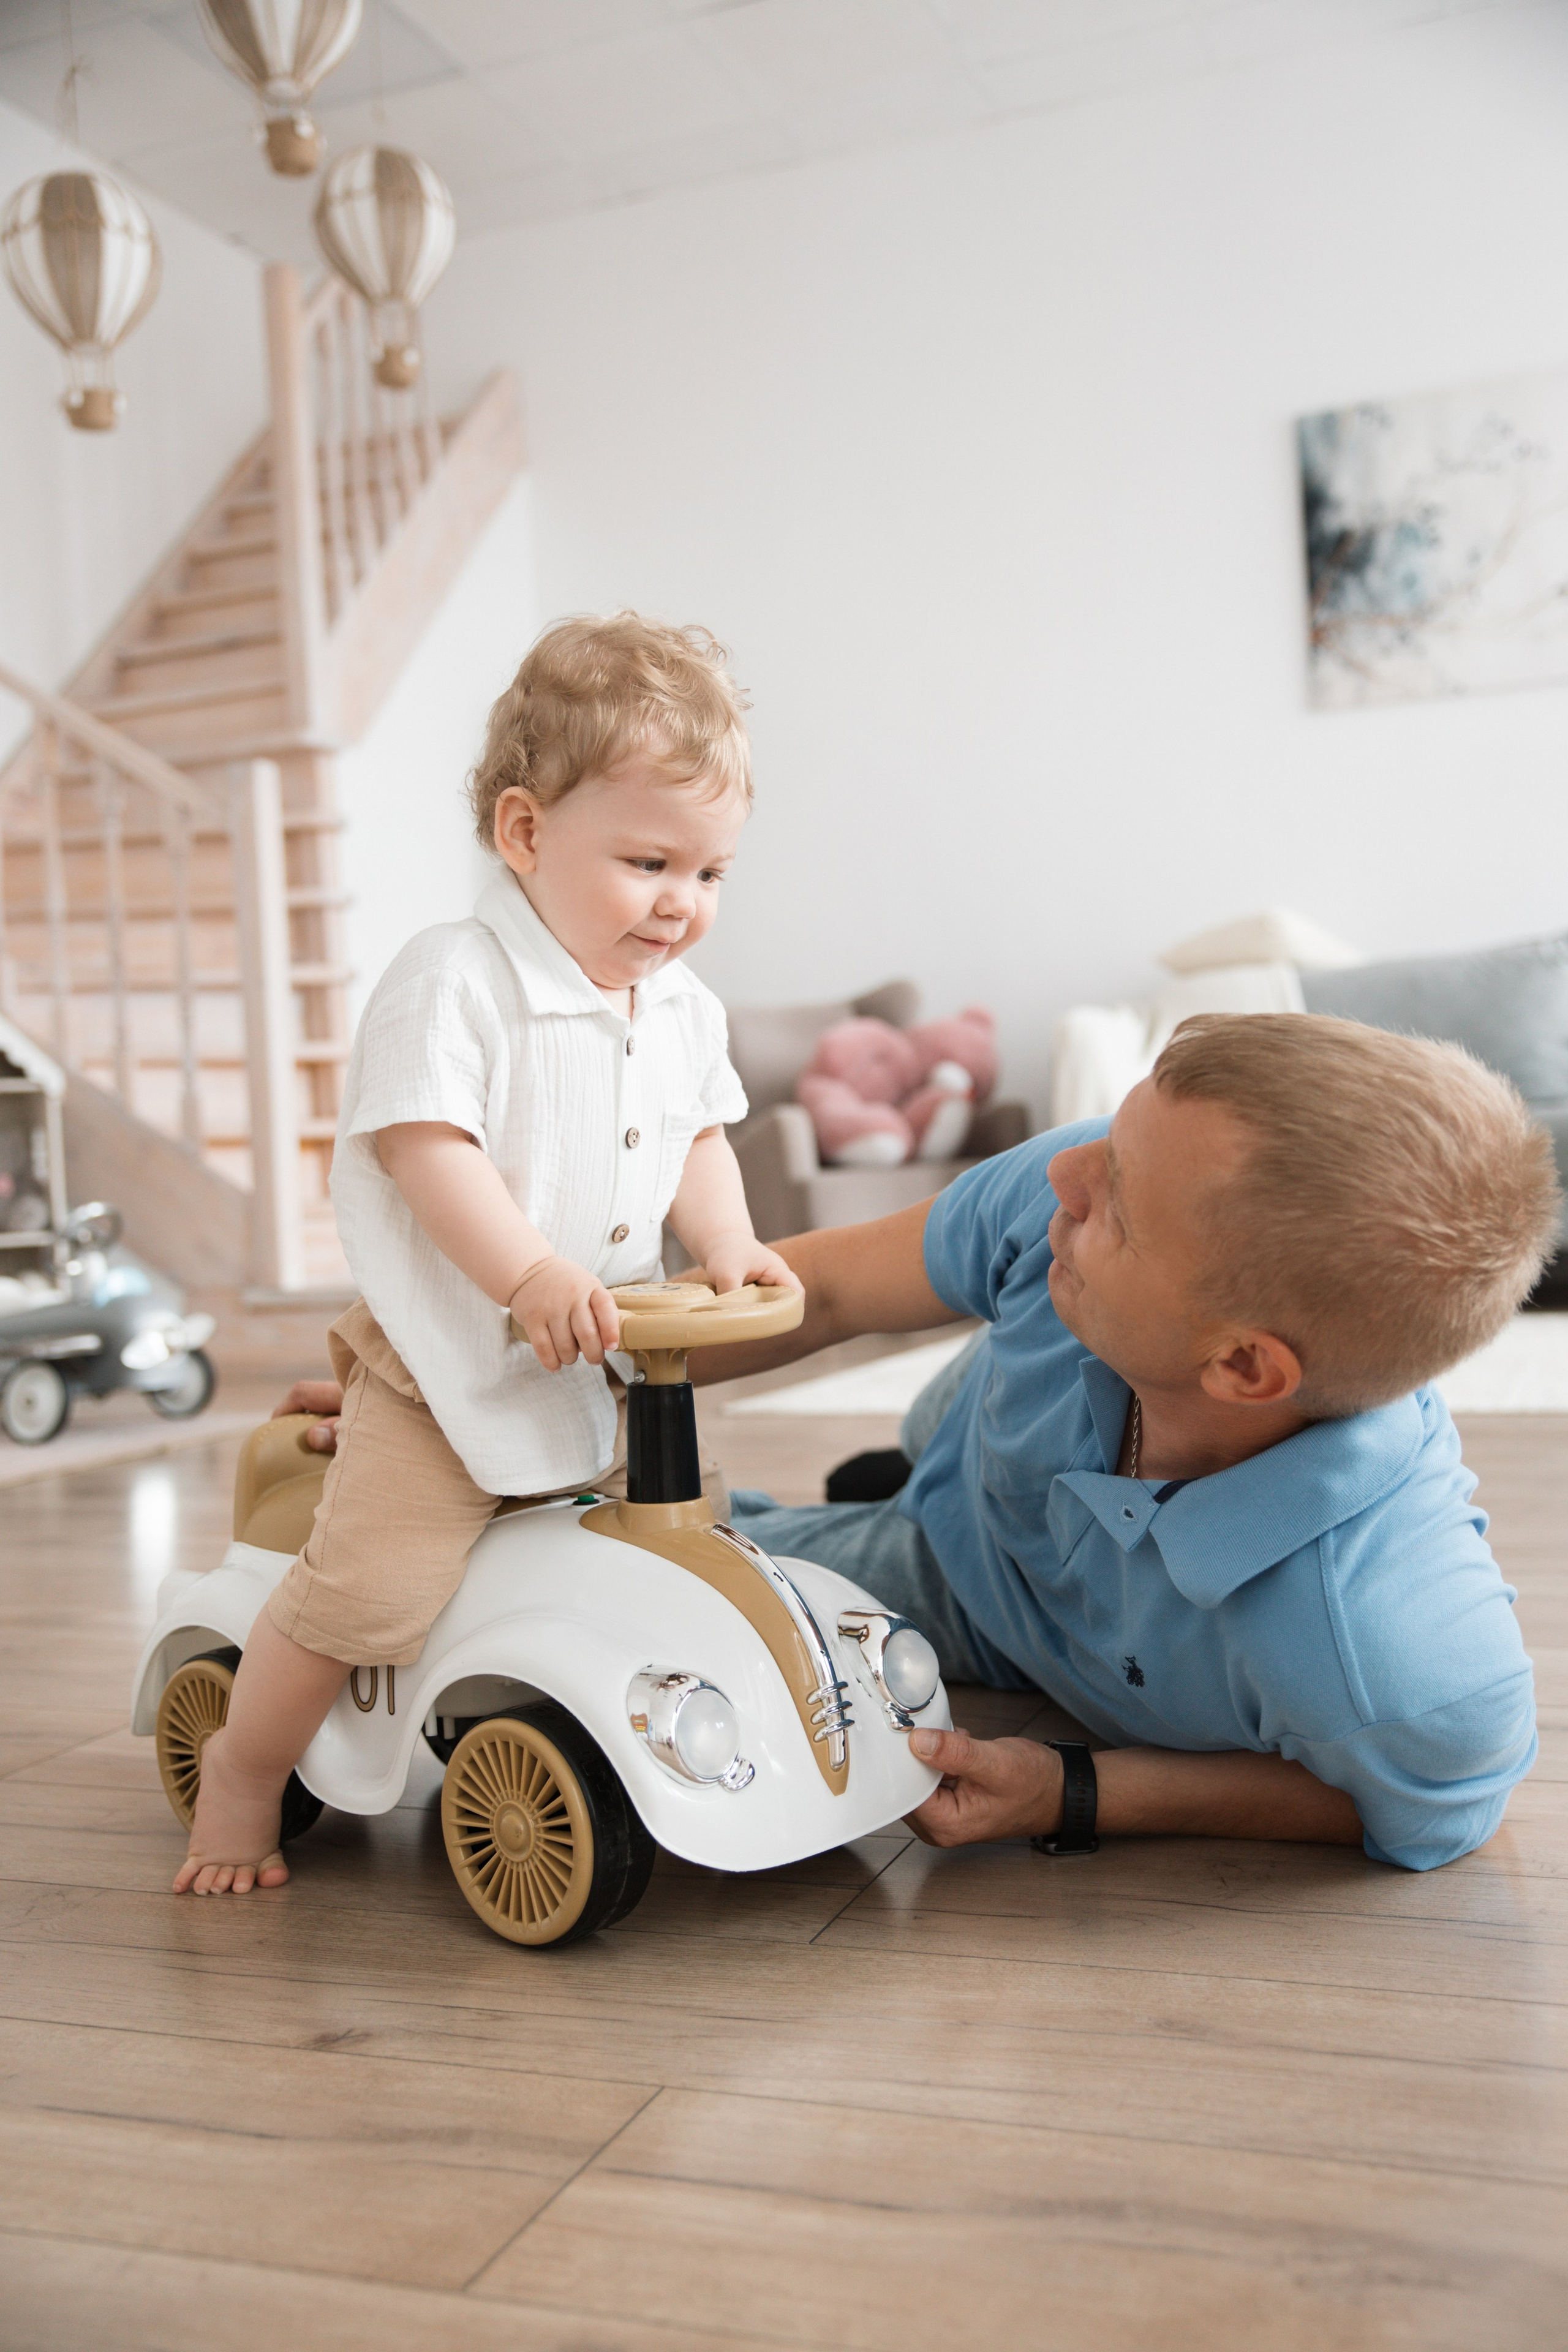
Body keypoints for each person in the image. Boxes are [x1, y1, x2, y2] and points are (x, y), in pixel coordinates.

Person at [277, 1013, 1559, 1874]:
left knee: (711, 1582)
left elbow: (1416, 1807)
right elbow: (811, 1296)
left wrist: (1077, 1791)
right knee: (635, 1561)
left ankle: (863, 1497)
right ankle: (890, 1476)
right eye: (1101, 1145)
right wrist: (465, 1401)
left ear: (1240, 1367)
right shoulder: (1077, 1189)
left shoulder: (1403, 1658)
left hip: (966, 1577)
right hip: (977, 1500)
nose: (1061, 1181)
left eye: (1112, 1205)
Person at [176, 614, 799, 1896]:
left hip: (609, 1362)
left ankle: (668, 1736)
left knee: (681, 1533)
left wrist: (727, 1242)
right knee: (375, 1591)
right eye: (648, 862)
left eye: (711, 873)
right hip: (449, 1368)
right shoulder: (452, 979)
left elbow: (696, 1134)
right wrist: (524, 1276)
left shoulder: (678, 1007)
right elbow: (426, 1149)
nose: (683, 904)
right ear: (525, 834)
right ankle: (247, 1773)